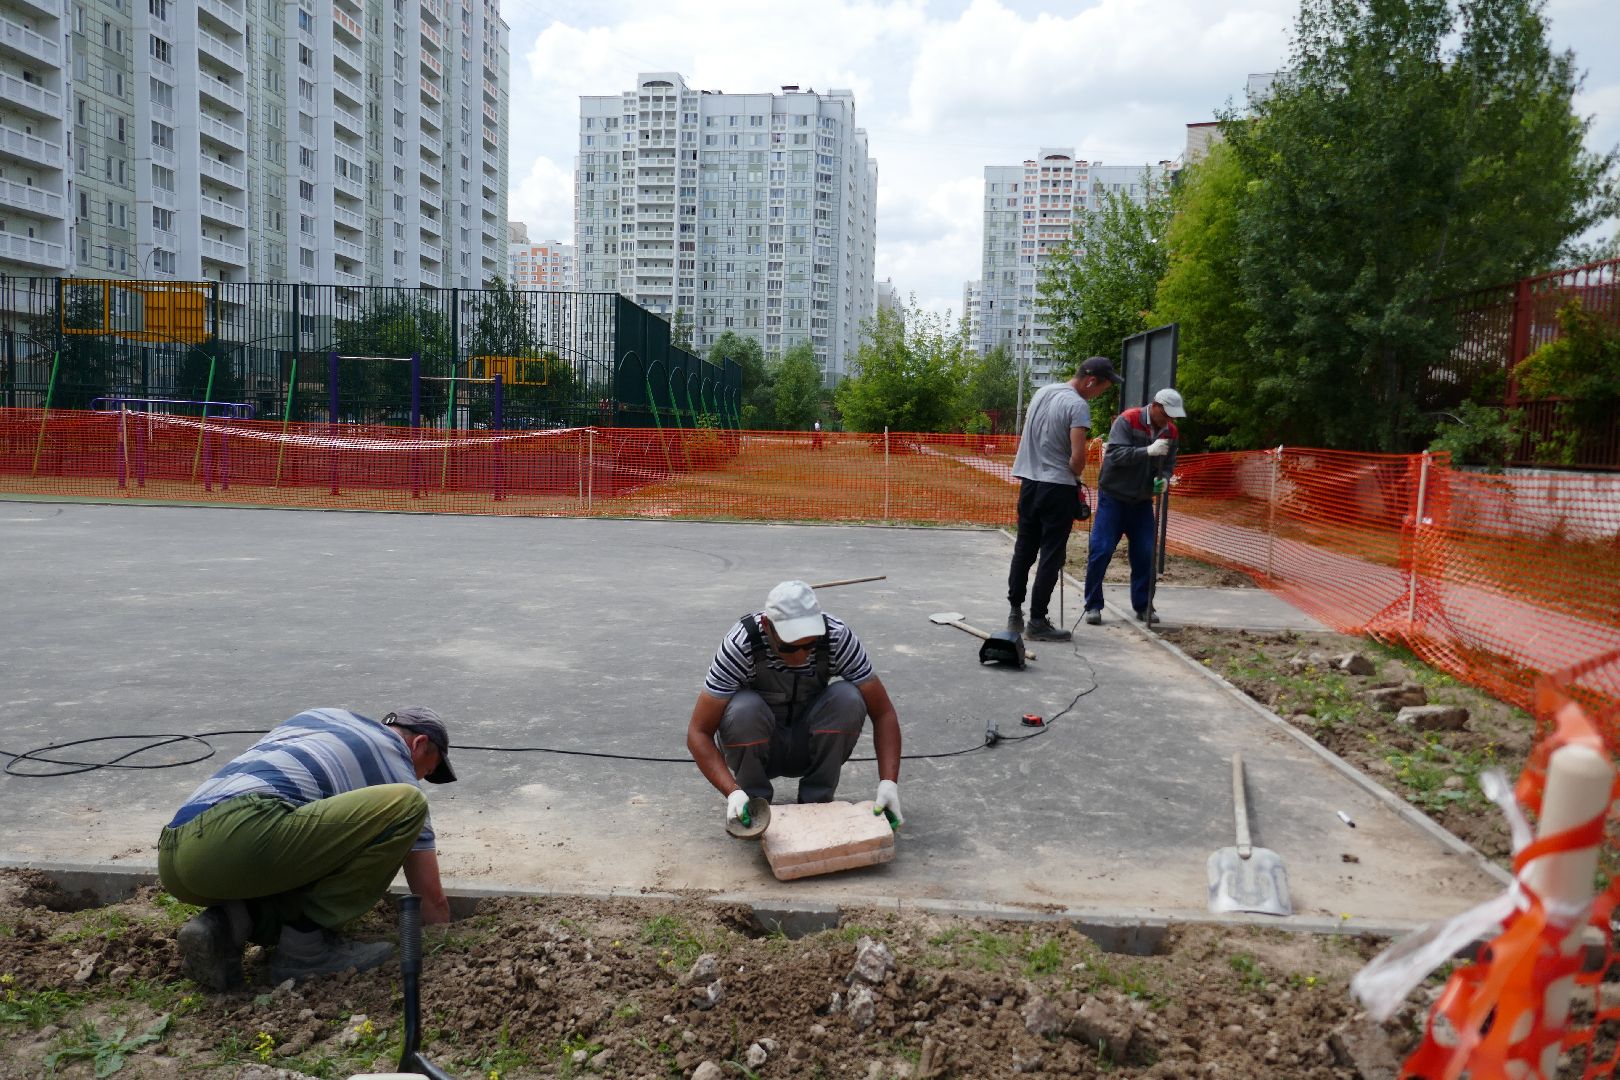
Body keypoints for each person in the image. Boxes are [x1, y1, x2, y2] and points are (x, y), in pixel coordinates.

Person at [158, 706, 456, 990]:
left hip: (177, 854)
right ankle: (306, 948)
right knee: (408, 806)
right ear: (419, 744)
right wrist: (448, 948)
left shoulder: (324, 719)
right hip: (239, 833)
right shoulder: (396, 763)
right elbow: (431, 899)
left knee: (306, 848)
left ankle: (227, 924)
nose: (419, 779)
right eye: (425, 772)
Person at [686, 580, 903, 829]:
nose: (800, 657)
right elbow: (698, 732)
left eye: (809, 645)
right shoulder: (741, 644)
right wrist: (732, 791)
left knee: (848, 698)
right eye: (789, 646)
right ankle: (753, 804)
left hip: (808, 743)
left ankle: (817, 803)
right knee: (743, 708)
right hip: (761, 746)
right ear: (767, 626)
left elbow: (883, 712)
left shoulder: (836, 636)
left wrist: (889, 783)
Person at [1006, 355, 1121, 641]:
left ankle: (1015, 612)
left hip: (1029, 483)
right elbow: (1078, 458)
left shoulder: (1043, 392)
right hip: (1057, 487)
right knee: (1052, 554)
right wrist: (1075, 473)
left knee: (1024, 549)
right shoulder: (1077, 405)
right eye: (1101, 389)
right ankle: (1037, 620)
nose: (1097, 395)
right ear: (1091, 381)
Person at [1082, 387, 1187, 625]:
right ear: (1156, 406)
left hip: (1141, 501)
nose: (1170, 420)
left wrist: (1165, 479)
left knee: (1145, 553)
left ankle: (1144, 605)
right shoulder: (1128, 420)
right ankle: (1093, 605)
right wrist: (1147, 451)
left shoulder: (1170, 431)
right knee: (1102, 549)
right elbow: (1116, 455)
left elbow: (1169, 462)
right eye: (1167, 414)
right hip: (1114, 498)